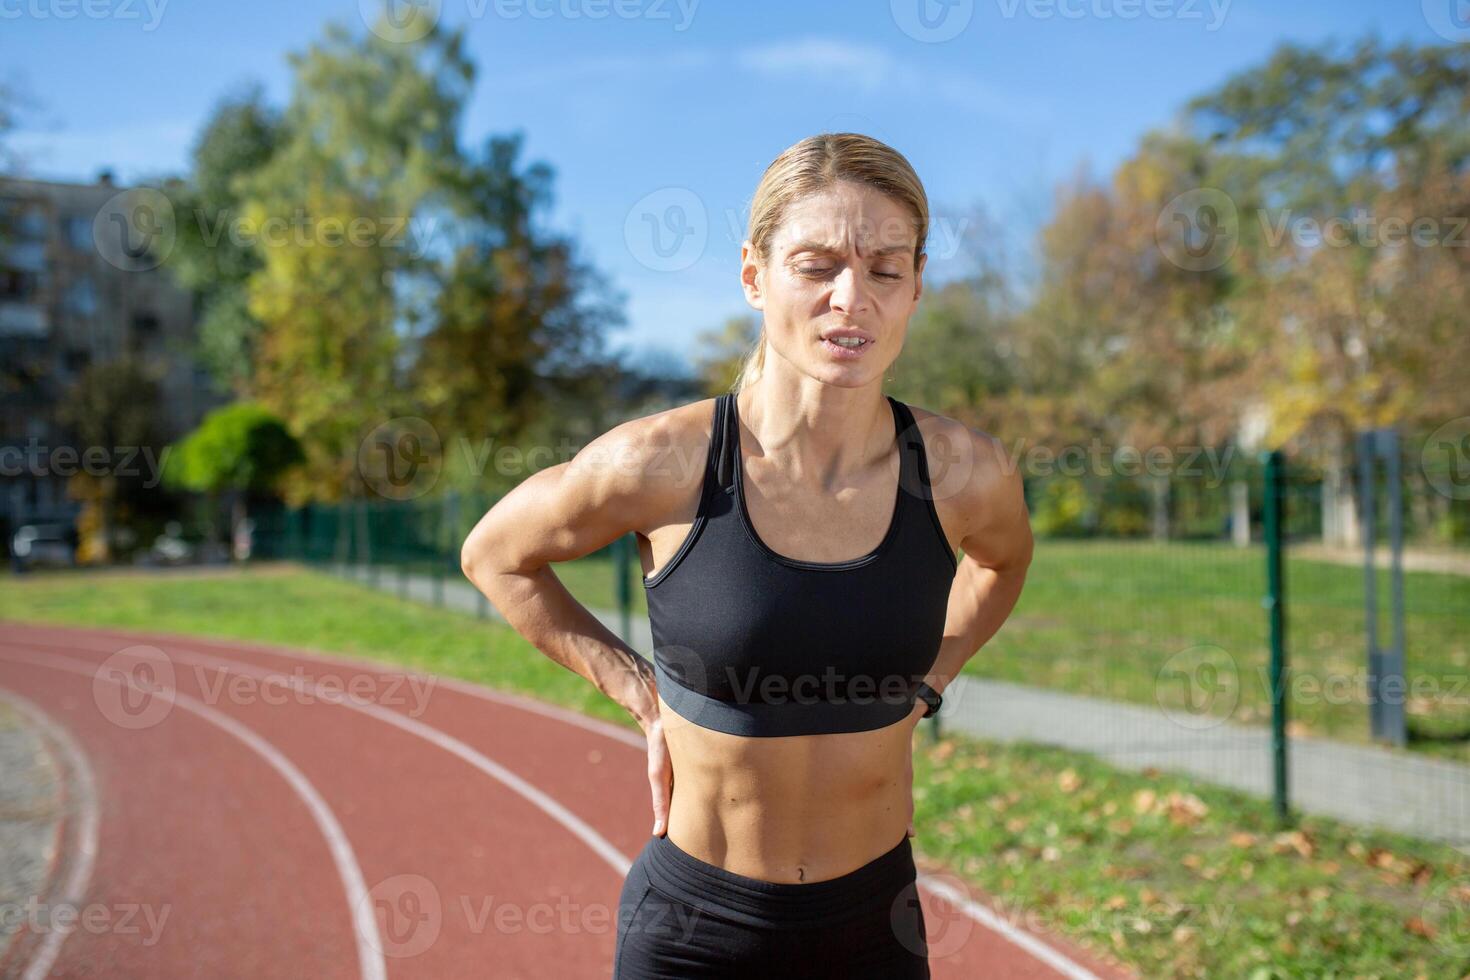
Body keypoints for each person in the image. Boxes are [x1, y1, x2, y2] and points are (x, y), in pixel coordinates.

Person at [460, 132, 1033, 978]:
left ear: (916, 286)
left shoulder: (962, 474)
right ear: (753, 276)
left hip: (876, 928)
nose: (852, 298)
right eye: (816, 265)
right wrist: (641, 695)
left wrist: (932, 679)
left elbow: (1004, 562)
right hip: (698, 931)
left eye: (885, 269)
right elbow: (496, 555)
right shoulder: (662, 463)